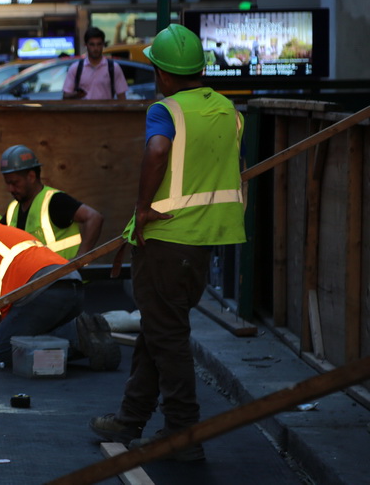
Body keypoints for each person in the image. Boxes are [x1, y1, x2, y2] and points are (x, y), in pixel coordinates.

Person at [89, 24, 246, 461]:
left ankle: (182, 433)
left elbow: (158, 152)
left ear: (162, 73)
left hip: (165, 238)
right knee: (157, 330)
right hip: (204, 241)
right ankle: (131, 417)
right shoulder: (229, 112)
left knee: (168, 335)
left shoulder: (166, 110)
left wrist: (141, 207)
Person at [0, 198, 120, 371]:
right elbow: (3, 309)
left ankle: (76, 337)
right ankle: (88, 339)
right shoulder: (6, 231)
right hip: (72, 287)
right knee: (9, 344)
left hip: (42, 294)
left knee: (5, 354)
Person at [0, 145, 103, 260]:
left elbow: (94, 217)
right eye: (7, 183)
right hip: (38, 278)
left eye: (14, 183)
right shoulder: (12, 210)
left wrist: (81, 259)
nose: (10, 189)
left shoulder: (54, 201)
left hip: (65, 277)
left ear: (31, 177)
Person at [62, 27, 128, 100]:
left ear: (103, 45)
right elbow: (66, 96)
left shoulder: (113, 67)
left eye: (99, 44)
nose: (96, 48)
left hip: (106, 110)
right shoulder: (76, 68)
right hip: (83, 110)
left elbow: (122, 98)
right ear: (86, 45)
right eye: (92, 44)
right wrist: (77, 95)